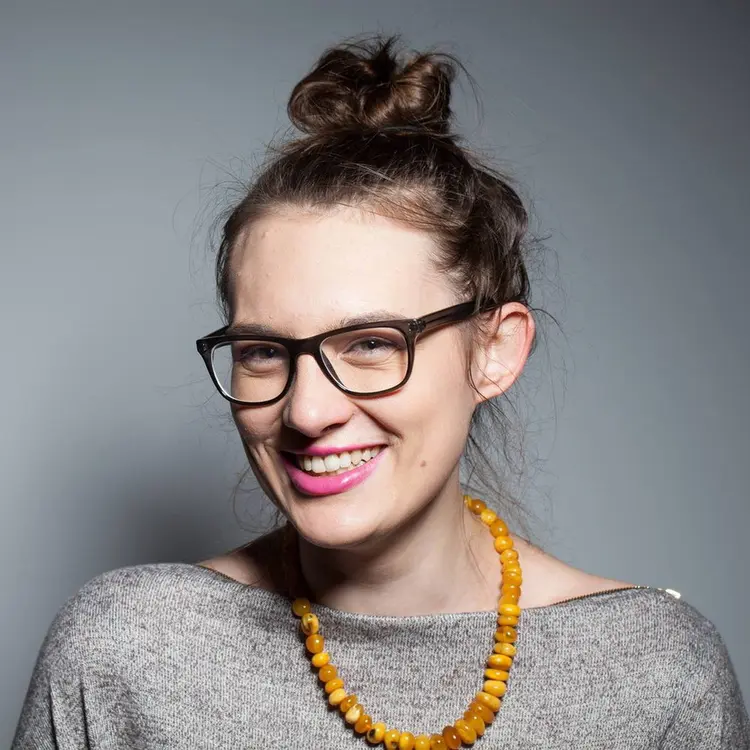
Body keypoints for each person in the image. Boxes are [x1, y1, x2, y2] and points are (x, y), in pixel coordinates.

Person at [12, 36, 749, 750]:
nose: (307, 411)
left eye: (369, 343)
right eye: (264, 351)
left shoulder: (654, 675)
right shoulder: (127, 651)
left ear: (495, 350)